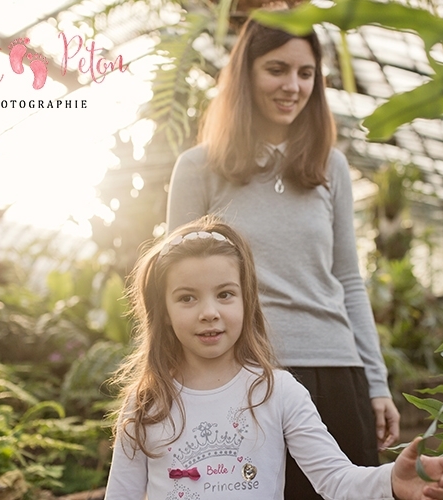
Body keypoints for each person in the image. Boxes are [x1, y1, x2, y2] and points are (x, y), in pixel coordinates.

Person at [166, 12, 400, 498]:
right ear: (245, 73)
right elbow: (175, 290)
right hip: (245, 377)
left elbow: (348, 280)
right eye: (277, 69)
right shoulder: (197, 169)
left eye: (306, 73)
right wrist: (173, 385)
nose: (293, 85)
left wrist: (376, 384)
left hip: (338, 373)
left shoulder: (329, 166)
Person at [105, 217, 443, 500]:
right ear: (163, 311)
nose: (209, 312)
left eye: (225, 294)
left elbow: (336, 480)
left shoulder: (278, 392)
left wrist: (391, 479)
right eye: (187, 298)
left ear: (247, 300)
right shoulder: (146, 402)